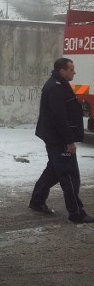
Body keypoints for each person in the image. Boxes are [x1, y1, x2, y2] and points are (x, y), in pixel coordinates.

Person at [29, 58, 94, 224]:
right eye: (71, 69)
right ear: (61, 70)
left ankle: (37, 201)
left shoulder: (60, 84)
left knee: (54, 171)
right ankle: (76, 213)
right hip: (59, 139)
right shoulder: (55, 88)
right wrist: (69, 141)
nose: (74, 72)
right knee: (70, 176)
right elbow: (59, 118)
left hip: (55, 137)